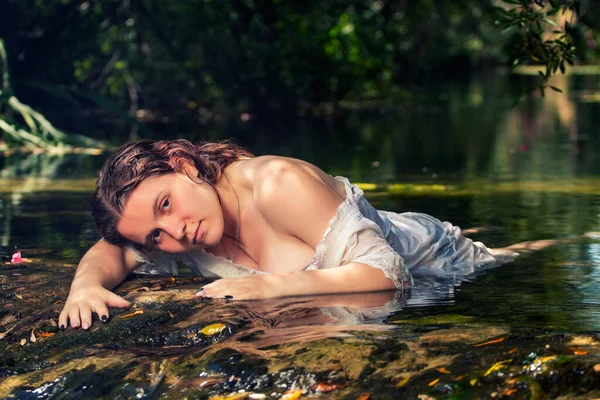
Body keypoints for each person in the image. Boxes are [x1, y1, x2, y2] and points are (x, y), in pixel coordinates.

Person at [58, 139, 518, 330]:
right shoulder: (184, 229)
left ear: (185, 166)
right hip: (354, 241)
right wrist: (84, 288)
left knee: (513, 255)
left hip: (430, 253)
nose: (175, 232)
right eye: (155, 237)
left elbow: (388, 275)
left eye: (165, 204)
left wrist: (270, 287)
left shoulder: (277, 183)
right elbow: (111, 251)